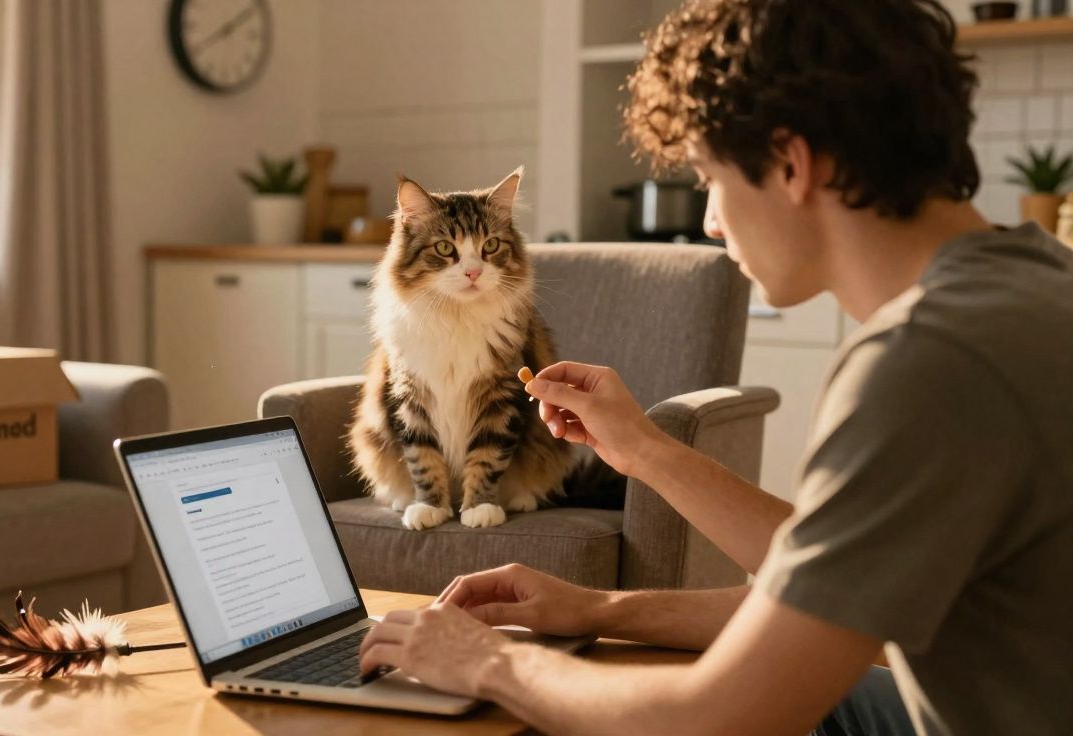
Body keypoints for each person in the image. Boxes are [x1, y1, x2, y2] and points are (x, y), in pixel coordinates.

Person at [356, 1, 1073, 734]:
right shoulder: (1035, 278)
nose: (709, 222)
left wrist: (488, 662)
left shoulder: (927, 361)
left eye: (708, 179)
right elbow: (827, 588)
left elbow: (716, 717)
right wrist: (604, 589)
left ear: (791, 164)